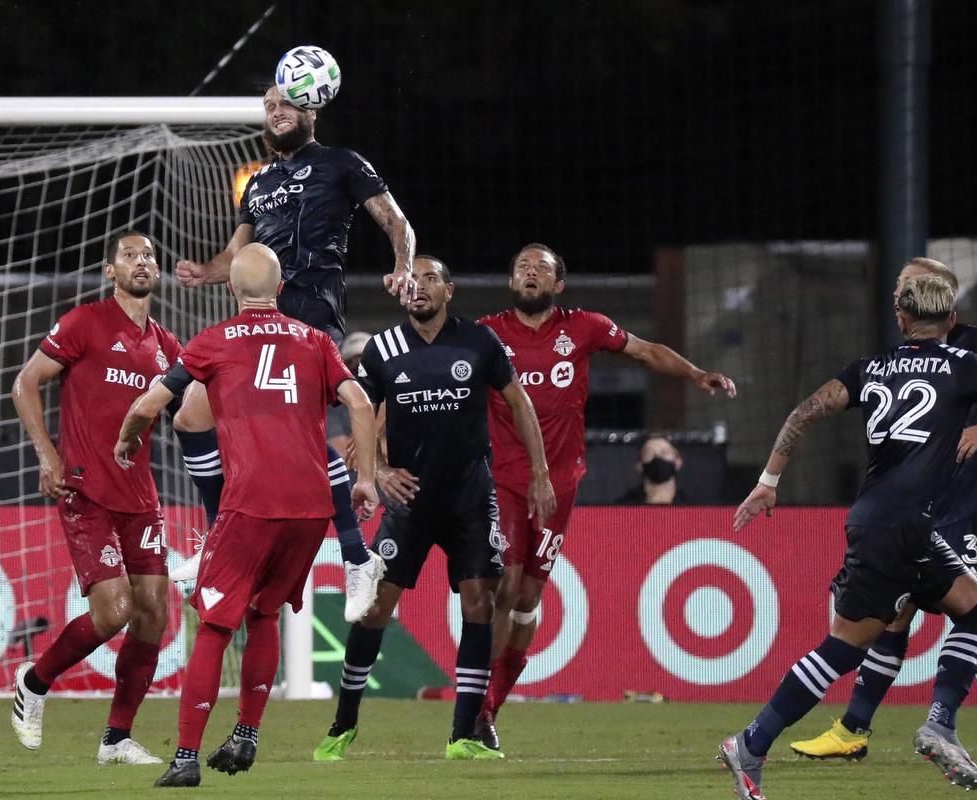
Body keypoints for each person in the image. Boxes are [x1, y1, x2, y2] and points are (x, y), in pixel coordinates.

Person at [114, 243, 378, 788]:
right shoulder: (316, 342)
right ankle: (247, 734)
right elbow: (359, 404)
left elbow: (148, 405)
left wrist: (126, 441)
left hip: (249, 506)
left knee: (213, 625)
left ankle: (185, 757)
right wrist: (367, 477)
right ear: (280, 291)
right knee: (264, 614)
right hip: (311, 509)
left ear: (231, 290)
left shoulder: (212, 341)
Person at [721, 273, 977, 800]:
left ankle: (940, 724)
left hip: (882, 520)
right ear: (951, 322)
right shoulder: (965, 366)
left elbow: (803, 413)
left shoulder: (872, 368)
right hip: (902, 526)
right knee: (844, 648)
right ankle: (751, 743)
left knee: (973, 607)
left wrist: (768, 482)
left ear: (902, 320)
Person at [169, 84, 415, 622]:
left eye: (286, 104)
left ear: (311, 109)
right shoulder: (256, 181)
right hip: (258, 315)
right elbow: (238, 252)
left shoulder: (342, 164)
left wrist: (403, 263)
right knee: (190, 415)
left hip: (310, 312)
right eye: (269, 106)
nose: (276, 112)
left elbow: (396, 221)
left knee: (300, 435)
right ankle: (218, 532)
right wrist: (204, 273)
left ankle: (356, 558)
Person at [474, 243, 735, 749]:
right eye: (521, 267)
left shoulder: (585, 327)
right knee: (505, 584)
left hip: (562, 482)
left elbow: (647, 350)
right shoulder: (486, 332)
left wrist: (696, 373)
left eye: (541, 269)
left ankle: (492, 706)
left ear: (559, 285)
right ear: (511, 282)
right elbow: (437, 371)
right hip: (503, 477)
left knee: (529, 598)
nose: (530, 274)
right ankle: (478, 705)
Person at [312, 255, 555, 763]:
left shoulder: (480, 343)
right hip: (410, 500)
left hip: (469, 498)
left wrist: (539, 473)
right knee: (377, 607)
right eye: (410, 281)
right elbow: (362, 416)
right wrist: (378, 471)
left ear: (450, 290)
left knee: (481, 605)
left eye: (429, 279)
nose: (417, 288)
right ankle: (343, 724)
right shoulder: (383, 349)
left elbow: (519, 403)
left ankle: (463, 734)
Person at [791, 257, 977, 763]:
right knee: (896, 618)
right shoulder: (900, 360)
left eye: (908, 285)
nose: (900, 294)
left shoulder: (970, 349)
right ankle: (857, 727)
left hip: (959, 506)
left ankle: (935, 723)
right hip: (915, 511)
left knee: (966, 613)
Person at [9, 230, 181, 765]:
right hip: (85, 489)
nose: (141, 261)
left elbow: (195, 412)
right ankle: (34, 682)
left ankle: (116, 739)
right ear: (111, 271)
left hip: (141, 497)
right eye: (129, 255)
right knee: (114, 612)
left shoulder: (167, 346)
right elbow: (25, 383)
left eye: (149, 255)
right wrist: (47, 456)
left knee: (153, 614)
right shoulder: (84, 322)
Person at [327, 331, 372, 457]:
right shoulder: (334, 404)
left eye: (365, 361)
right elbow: (340, 451)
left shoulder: (395, 398)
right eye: (352, 362)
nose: (359, 368)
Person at [614, 435, 689, 505]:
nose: (657, 457)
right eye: (649, 453)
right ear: (640, 466)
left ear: (678, 463)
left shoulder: (692, 508)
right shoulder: (622, 507)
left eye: (664, 452)